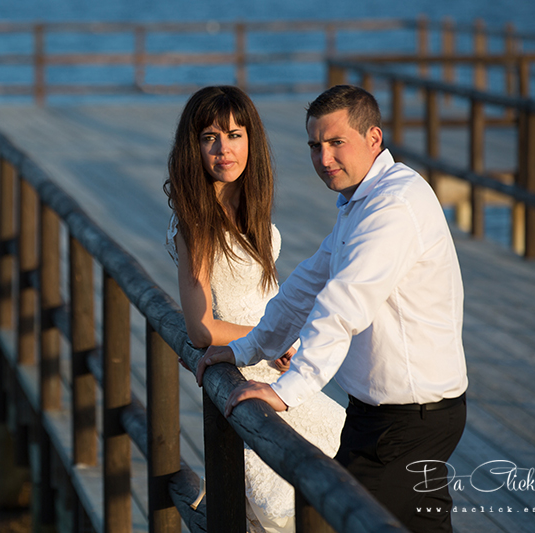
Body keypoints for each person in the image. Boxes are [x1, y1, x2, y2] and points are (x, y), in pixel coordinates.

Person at [196, 85, 468, 533]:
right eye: (315, 145)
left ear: (374, 139)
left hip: (409, 419)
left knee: (333, 517)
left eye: (336, 142)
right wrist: (247, 349)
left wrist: (288, 390)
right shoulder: (361, 199)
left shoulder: (392, 208)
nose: (324, 159)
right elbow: (307, 283)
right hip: (384, 415)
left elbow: (342, 305)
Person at [163, 85, 346, 533]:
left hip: (279, 368)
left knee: (341, 451)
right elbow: (201, 326)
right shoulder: (196, 219)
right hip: (243, 371)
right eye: (209, 137)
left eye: (234, 134)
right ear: (194, 146)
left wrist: (285, 338)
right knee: (282, 504)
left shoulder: (250, 208)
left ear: (252, 140)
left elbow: (269, 294)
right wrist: (268, 339)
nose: (223, 149)